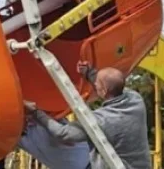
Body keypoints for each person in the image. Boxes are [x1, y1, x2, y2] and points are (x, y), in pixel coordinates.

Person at [24, 61, 152, 169]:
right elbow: (113, 86)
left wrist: (36, 112)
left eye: (97, 83)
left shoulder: (101, 121)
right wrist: (89, 73)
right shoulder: (136, 100)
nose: (94, 84)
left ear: (103, 91)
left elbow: (62, 133)